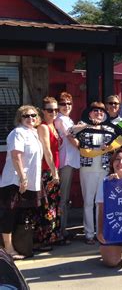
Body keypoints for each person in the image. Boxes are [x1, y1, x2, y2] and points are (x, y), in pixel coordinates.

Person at [0, 106, 43, 260]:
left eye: (33, 115)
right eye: (26, 116)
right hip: (14, 181)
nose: (30, 118)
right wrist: (22, 178)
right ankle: (8, 248)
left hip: (29, 181)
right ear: (20, 118)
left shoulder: (33, 133)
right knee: (9, 213)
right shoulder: (17, 133)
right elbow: (16, 156)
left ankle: (21, 245)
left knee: (21, 214)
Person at [72, 102, 117, 245]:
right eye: (95, 111)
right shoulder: (82, 127)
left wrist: (110, 147)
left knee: (100, 202)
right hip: (87, 169)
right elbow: (69, 132)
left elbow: (119, 142)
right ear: (90, 113)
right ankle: (89, 234)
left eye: (101, 111)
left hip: (103, 169)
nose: (98, 113)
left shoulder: (109, 129)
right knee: (88, 202)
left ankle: (100, 232)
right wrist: (86, 125)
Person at [32, 97, 62, 251]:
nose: (53, 112)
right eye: (50, 110)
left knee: (54, 204)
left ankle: (53, 236)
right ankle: (43, 239)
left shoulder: (53, 125)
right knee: (47, 206)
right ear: (43, 111)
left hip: (53, 169)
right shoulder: (43, 127)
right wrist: (53, 171)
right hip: (47, 170)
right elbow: (47, 151)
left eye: (56, 109)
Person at [54, 91, 80, 243]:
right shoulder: (61, 120)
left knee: (64, 197)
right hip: (65, 161)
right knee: (63, 198)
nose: (66, 106)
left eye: (69, 103)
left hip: (69, 160)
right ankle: (60, 232)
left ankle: (61, 230)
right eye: (63, 104)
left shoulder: (67, 119)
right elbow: (71, 139)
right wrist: (85, 148)